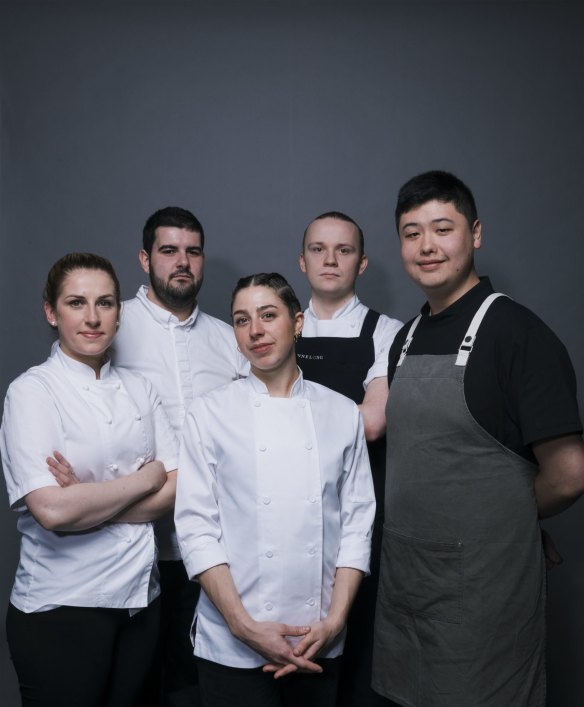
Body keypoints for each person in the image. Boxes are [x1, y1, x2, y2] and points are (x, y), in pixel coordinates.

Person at [372, 171, 584, 707]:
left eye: (443, 228)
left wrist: (504, 521)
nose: (427, 245)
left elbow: (569, 473)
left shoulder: (518, 334)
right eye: (411, 232)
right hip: (406, 589)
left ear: (476, 234)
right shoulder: (405, 338)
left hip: (485, 599)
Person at [175, 272, 376, 707]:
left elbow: (358, 527)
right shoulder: (209, 414)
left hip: (317, 641)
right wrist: (244, 628)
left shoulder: (342, 413)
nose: (255, 331)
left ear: (297, 322)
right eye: (242, 320)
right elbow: (196, 530)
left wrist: (335, 622)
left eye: (268, 315)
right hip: (231, 644)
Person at [0, 253, 178, 707]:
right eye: (77, 303)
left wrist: (88, 496)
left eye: (106, 303)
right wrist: (146, 478)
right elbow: (54, 511)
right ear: (51, 312)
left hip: (141, 601)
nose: (93, 318)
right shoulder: (32, 391)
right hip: (62, 607)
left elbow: (180, 488)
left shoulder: (143, 389)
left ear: (120, 311)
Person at [111, 206, 247, 706]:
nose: (182, 262)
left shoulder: (229, 339)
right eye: (169, 251)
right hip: (130, 546)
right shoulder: (113, 325)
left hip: (213, 551)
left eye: (192, 251)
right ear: (146, 258)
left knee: (197, 690)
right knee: (134, 688)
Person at [296, 211, 402, 706]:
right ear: (302, 261)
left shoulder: (389, 332)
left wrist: (282, 426)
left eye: (344, 250)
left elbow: (374, 422)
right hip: (287, 512)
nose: (331, 259)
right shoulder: (276, 325)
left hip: (361, 510)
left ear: (362, 263)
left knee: (358, 646)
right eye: (319, 249)